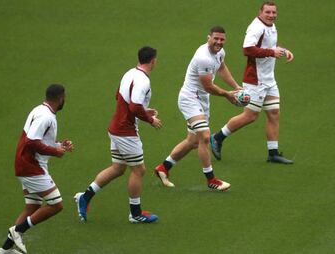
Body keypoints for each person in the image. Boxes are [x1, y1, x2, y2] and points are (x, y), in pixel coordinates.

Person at [74, 46, 161, 224]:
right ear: (153, 61)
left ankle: (85, 196)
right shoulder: (143, 81)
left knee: (118, 168)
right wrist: (150, 120)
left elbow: (120, 98)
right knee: (139, 170)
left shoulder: (129, 73)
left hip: (115, 127)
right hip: (126, 132)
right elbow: (135, 107)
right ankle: (135, 213)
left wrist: (145, 111)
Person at [154, 26, 242, 190]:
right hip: (190, 99)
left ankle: (163, 168)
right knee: (205, 137)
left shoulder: (219, 53)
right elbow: (208, 86)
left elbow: (222, 68)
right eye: (215, 38)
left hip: (202, 100)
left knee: (193, 141)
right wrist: (228, 95)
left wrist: (237, 87)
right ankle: (211, 180)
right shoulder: (204, 57)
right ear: (208, 37)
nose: (218, 42)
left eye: (222, 39)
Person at [210, 1, 295, 164]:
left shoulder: (270, 26)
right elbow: (247, 49)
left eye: (273, 13)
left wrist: (282, 50)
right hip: (255, 80)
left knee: (274, 113)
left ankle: (273, 153)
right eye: (268, 12)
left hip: (269, 79)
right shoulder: (256, 27)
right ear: (260, 12)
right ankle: (217, 137)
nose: (271, 15)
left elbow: (269, 45)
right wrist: (272, 52)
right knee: (250, 116)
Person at [0, 84, 73, 254]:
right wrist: (55, 151)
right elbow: (31, 141)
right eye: (65, 98)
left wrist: (59, 145)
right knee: (56, 204)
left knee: (33, 206)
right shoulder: (46, 117)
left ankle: (5, 250)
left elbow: (39, 140)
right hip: (31, 166)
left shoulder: (40, 110)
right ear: (60, 98)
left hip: (26, 163)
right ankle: (17, 231)